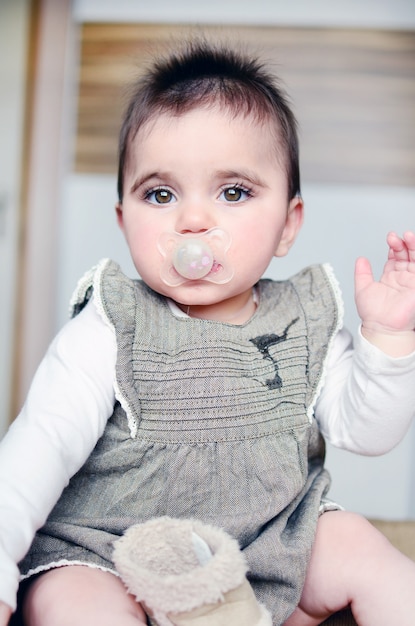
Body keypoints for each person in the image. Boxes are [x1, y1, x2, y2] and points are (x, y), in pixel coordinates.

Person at [0, 38, 415, 626]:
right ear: (123, 219)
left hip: (267, 550)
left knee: (358, 544)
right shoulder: (111, 325)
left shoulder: (303, 321)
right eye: (161, 194)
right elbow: (38, 446)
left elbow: (367, 430)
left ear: (287, 227)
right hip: (111, 554)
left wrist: (388, 340)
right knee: (71, 601)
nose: (193, 221)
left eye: (234, 192)